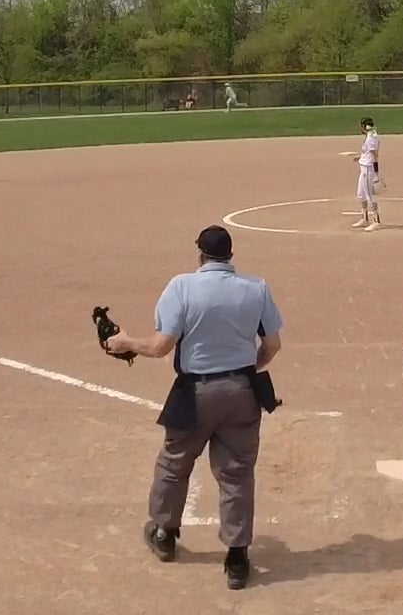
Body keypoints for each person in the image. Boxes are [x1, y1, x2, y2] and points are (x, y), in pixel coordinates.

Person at [103, 225, 284, 591]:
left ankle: (164, 533)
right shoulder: (256, 287)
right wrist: (244, 371)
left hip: (196, 393)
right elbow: (273, 345)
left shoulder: (181, 286)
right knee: (237, 473)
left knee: (174, 464)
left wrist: (126, 342)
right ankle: (237, 558)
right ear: (230, 255)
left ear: (200, 254)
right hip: (242, 390)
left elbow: (160, 347)